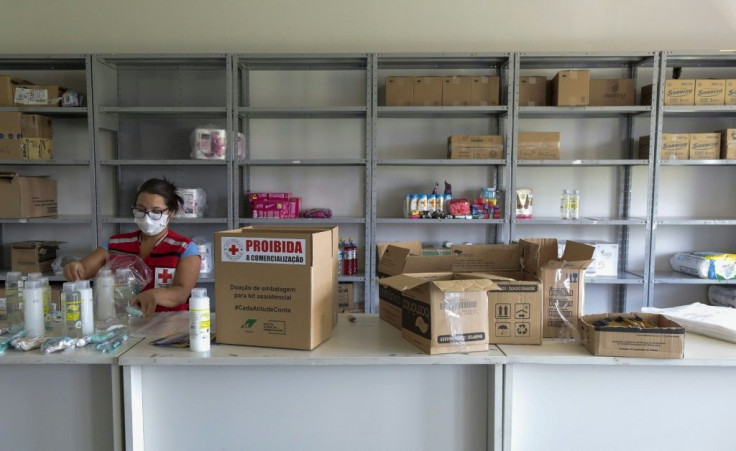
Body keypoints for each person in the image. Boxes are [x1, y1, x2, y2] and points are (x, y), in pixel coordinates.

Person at [63, 178, 201, 316]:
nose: (147, 217)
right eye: (140, 210)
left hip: (169, 325)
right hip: (124, 324)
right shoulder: (117, 244)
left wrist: (156, 295)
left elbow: (182, 293)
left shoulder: (184, 248)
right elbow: (82, 271)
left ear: (171, 213)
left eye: (155, 211)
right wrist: (74, 268)